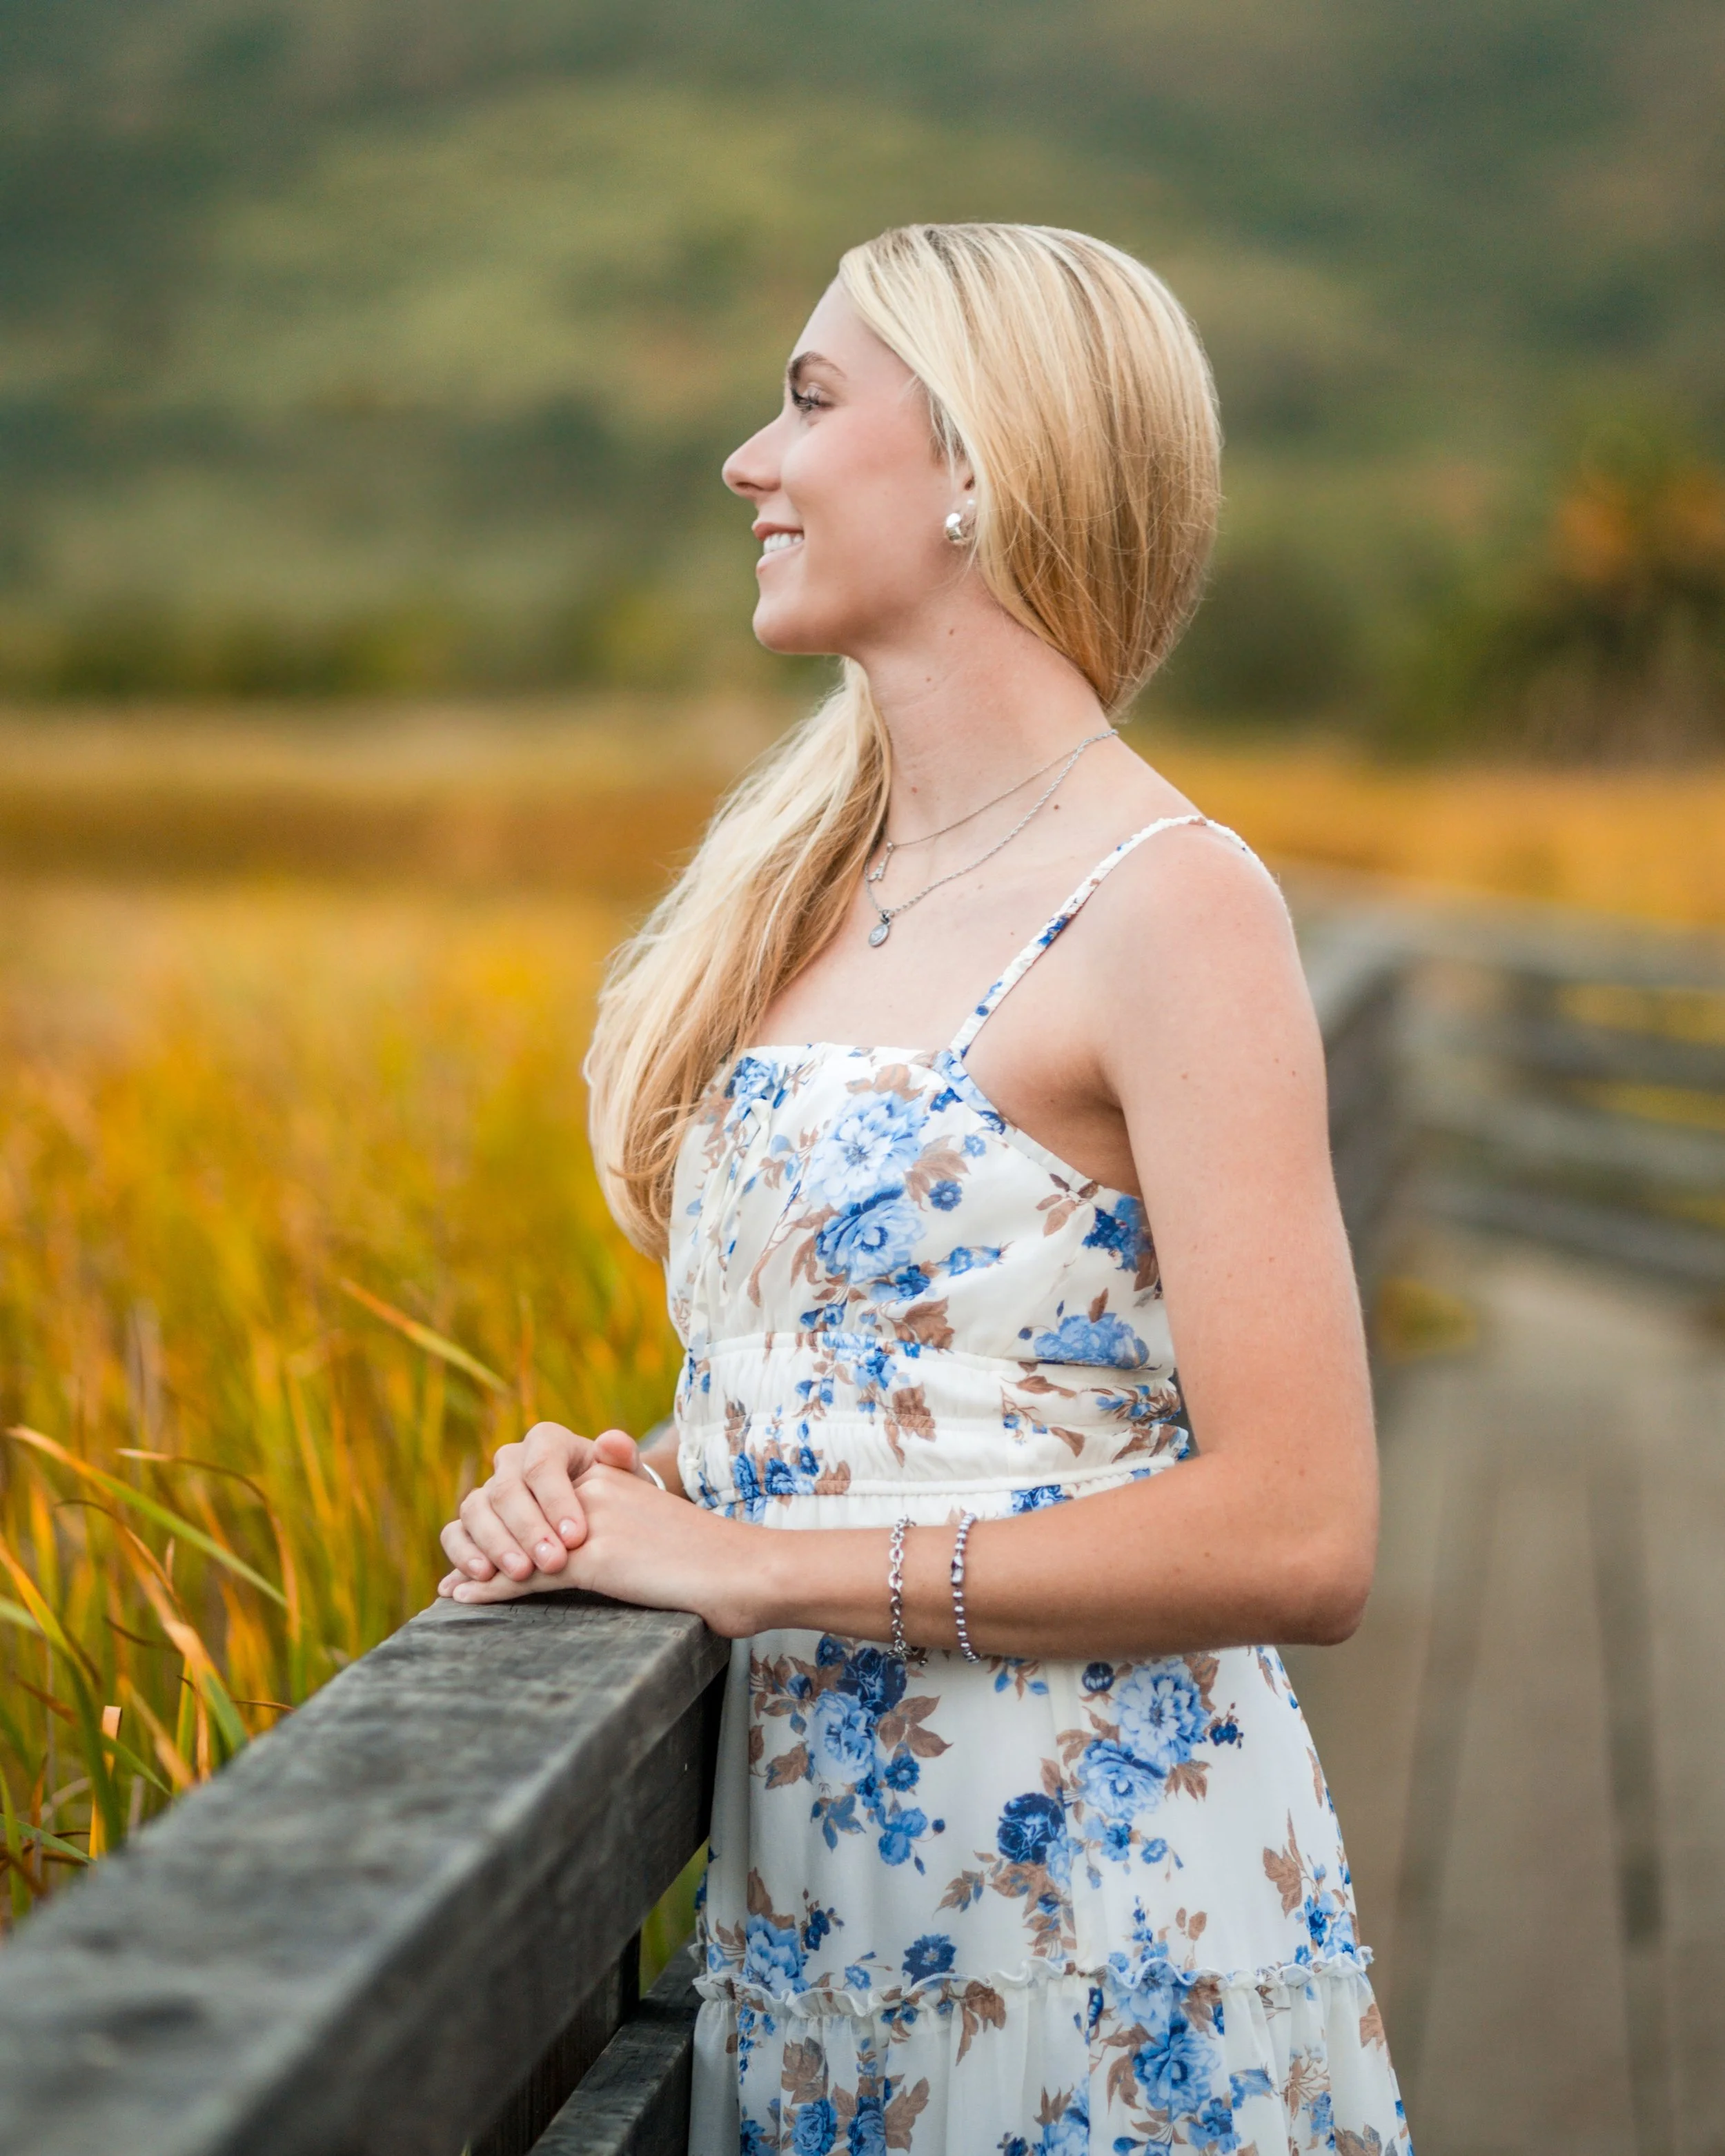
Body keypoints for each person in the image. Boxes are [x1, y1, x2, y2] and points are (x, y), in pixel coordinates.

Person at [436, 222, 1410, 2156]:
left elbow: (1303, 1529)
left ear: (977, 466)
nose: (748, 459)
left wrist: (760, 1569)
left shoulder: (1170, 905)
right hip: (826, 1942)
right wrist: (638, 1479)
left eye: (806, 402)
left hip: (1096, 1947)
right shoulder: (807, 896)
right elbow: (905, 1397)